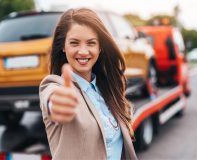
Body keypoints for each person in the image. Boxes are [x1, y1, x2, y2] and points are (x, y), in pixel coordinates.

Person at [39, 8, 138, 160]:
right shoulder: (55, 86)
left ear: (100, 47)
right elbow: (51, 98)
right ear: (63, 47)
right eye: (74, 43)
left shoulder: (106, 88)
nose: (83, 51)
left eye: (91, 43)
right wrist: (56, 104)